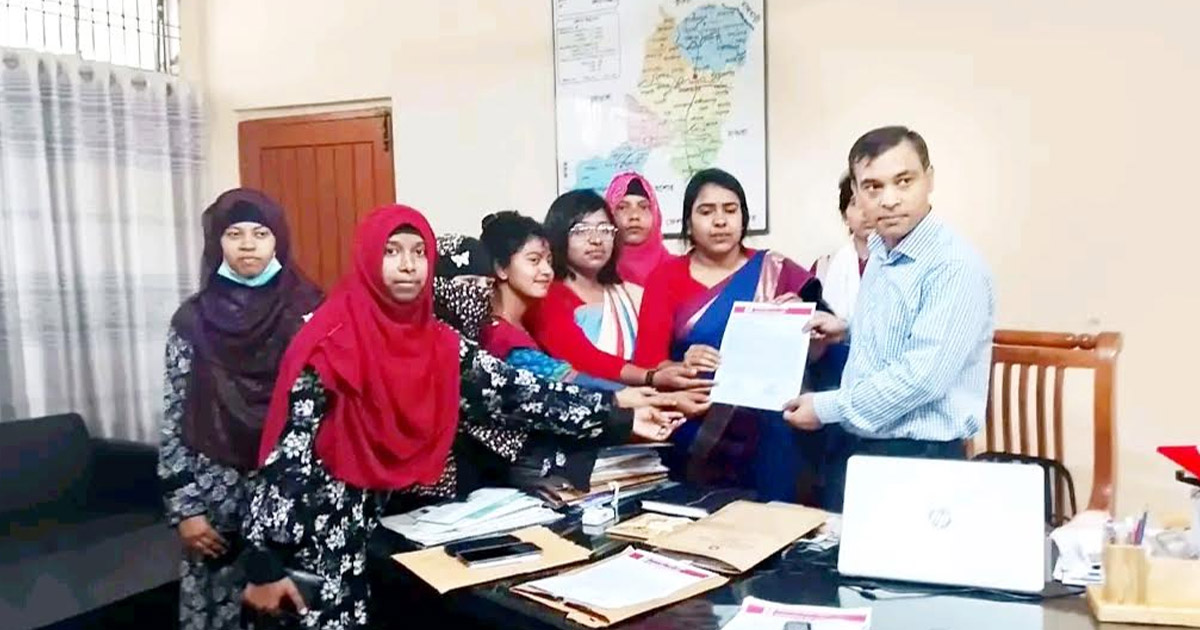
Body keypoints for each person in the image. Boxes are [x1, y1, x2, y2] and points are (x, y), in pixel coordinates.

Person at [241, 205, 680, 629]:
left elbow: (516, 391)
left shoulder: (438, 342)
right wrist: (263, 562)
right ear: (368, 258)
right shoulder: (327, 340)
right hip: (317, 542)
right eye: (392, 252)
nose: (408, 265)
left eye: (419, 252)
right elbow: (288, 456)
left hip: (390, 542)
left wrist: (619, 417)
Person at [158, 189, 323, 630]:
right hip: (216, 504)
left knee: (289, 617)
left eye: (260, 233)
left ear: (279, 241)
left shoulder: (311, 314)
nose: (248, 245)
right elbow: (174, 415)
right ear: (217, 243)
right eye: (234, 234)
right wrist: (186, 509)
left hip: (292, 500)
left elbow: (327, 416)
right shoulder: (192, 320)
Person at [785, 126, 995, 468]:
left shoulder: (954, 266)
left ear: (929, 179)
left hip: (920, 456)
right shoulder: (882, 249)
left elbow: (922, 379)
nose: (889, 200)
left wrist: (825, 408)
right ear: (856, 193)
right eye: (873, 187)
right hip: (863, 445)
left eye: (904, 181)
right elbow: (900, 328)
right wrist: (847, 329)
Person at [633, 168, 832, 502]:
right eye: (706, 211)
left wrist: (800, 321)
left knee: (776, 519)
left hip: (774, 431)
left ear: (743, 217)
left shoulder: (778, 270)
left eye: (730, 209)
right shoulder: (665, 278)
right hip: (696, 428)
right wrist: (681, 364)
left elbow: (822, 354)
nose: (720, 221)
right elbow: (648, 365)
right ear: (688, 222)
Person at [526, 190, 710, 394]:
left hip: (649, 400)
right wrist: (650, 377)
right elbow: (583, 358)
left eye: (605, 229)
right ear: (559, 236)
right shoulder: (547, 296)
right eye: (581, 230)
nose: (596, 240)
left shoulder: (629, 293)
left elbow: (657, 352)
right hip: (591, 404)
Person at [811, 172, 873, 319]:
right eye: (855, 203)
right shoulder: (824, 267)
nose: (865, 212)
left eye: (870, 201)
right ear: (845, 216)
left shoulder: (900, 262)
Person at [603, 171, 674, 287]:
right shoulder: (595, 273)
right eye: (622, 207)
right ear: (609, 215)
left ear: (655, 214)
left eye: (643, 207)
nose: (634, 216)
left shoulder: (678, 271)